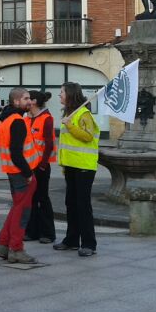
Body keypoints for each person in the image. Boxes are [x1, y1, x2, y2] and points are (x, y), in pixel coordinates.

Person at [0, 87, 39, 264]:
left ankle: (3, 245)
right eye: (26, 98)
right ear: (16, 101)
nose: (30, 101)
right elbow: (16, 153)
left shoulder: (7, 119)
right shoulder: (18, 121)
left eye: (30, 98)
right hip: (22, 173)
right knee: (22, 213)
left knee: (16, 209)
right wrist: (28, 174)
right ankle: (16, 249)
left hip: (13, 171)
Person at [54, 82, 99, 257]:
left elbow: (88, 136)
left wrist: (70, 126)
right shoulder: (69, 113)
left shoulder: (83, 113)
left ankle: (89, 243)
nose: (59, 95)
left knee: (83, 205)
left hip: (84, 167)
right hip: (72, 166)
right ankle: (71, 240)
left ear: (70, 94)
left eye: (62, 92)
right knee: (71, 204)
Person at [25, 91, 56, 244]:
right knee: (30, 199)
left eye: (28, 98)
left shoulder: (46, 118)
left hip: (41, 166)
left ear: (35, 101)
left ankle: (48, 233)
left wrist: (43, 165)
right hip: (28, 166)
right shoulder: (26, 118)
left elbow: (49, 143)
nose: (26, 101)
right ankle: (32, 232)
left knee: (42, 198)